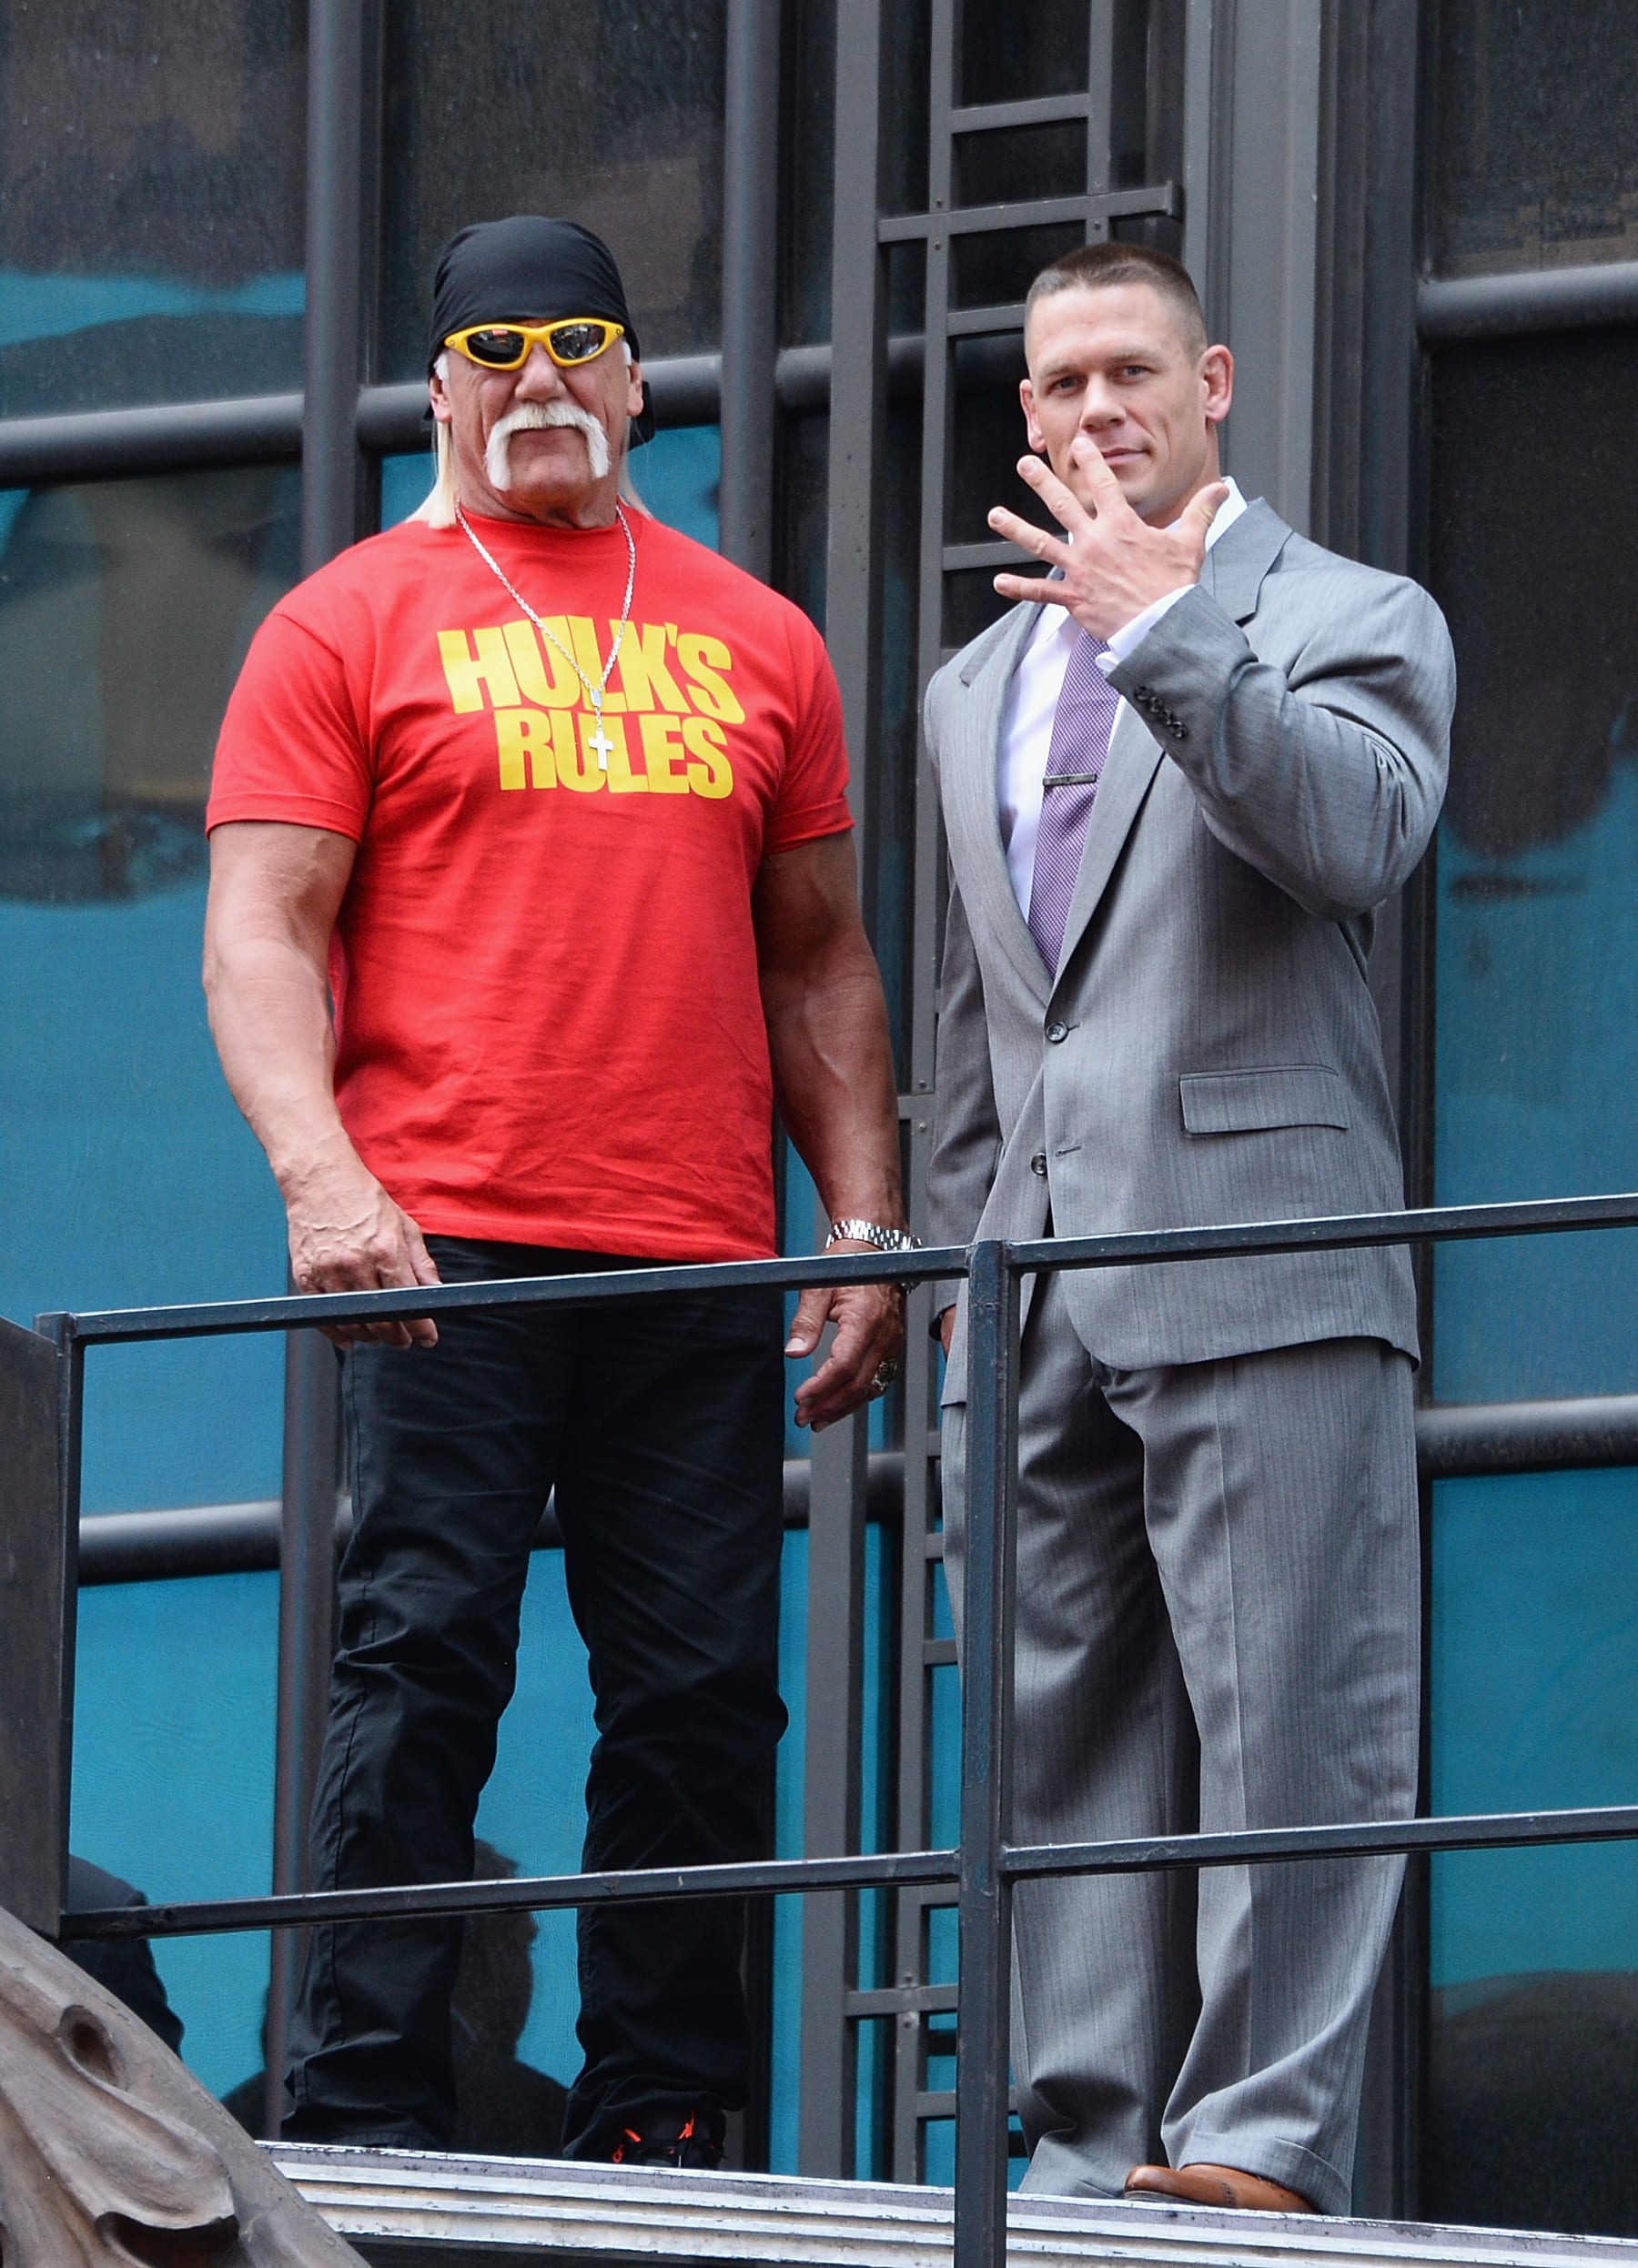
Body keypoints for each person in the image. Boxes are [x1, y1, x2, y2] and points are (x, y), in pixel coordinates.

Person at [203, 215, 909, 2166]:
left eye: (574, 341)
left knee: (700, 1692)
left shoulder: (759, 633)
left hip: (693, 1244)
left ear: (635, 380)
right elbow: (261, 926)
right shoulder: (340, 620)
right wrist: (320, 1174)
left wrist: (862, 1222)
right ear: (436, 386)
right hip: (441, 1234)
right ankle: (352, 2099)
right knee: (424, 1656)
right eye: (491, 346)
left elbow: (822, 955)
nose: (535, 379)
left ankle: (663, 2110)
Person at [925, 241, 1453, 2217]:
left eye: (1129, 373)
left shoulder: (1347, 612)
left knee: (1292, 1707)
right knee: (1058, 1735)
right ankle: (1082, 2133)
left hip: (1264, 1238)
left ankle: (1255, 2134)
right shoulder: (969, 682)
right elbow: (995, 1019)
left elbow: (1352, 836)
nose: (1092, 413)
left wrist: (1171, 633)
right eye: (1055, 387)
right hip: (1042, 1273)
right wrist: (963, 1275)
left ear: (1213, 380)